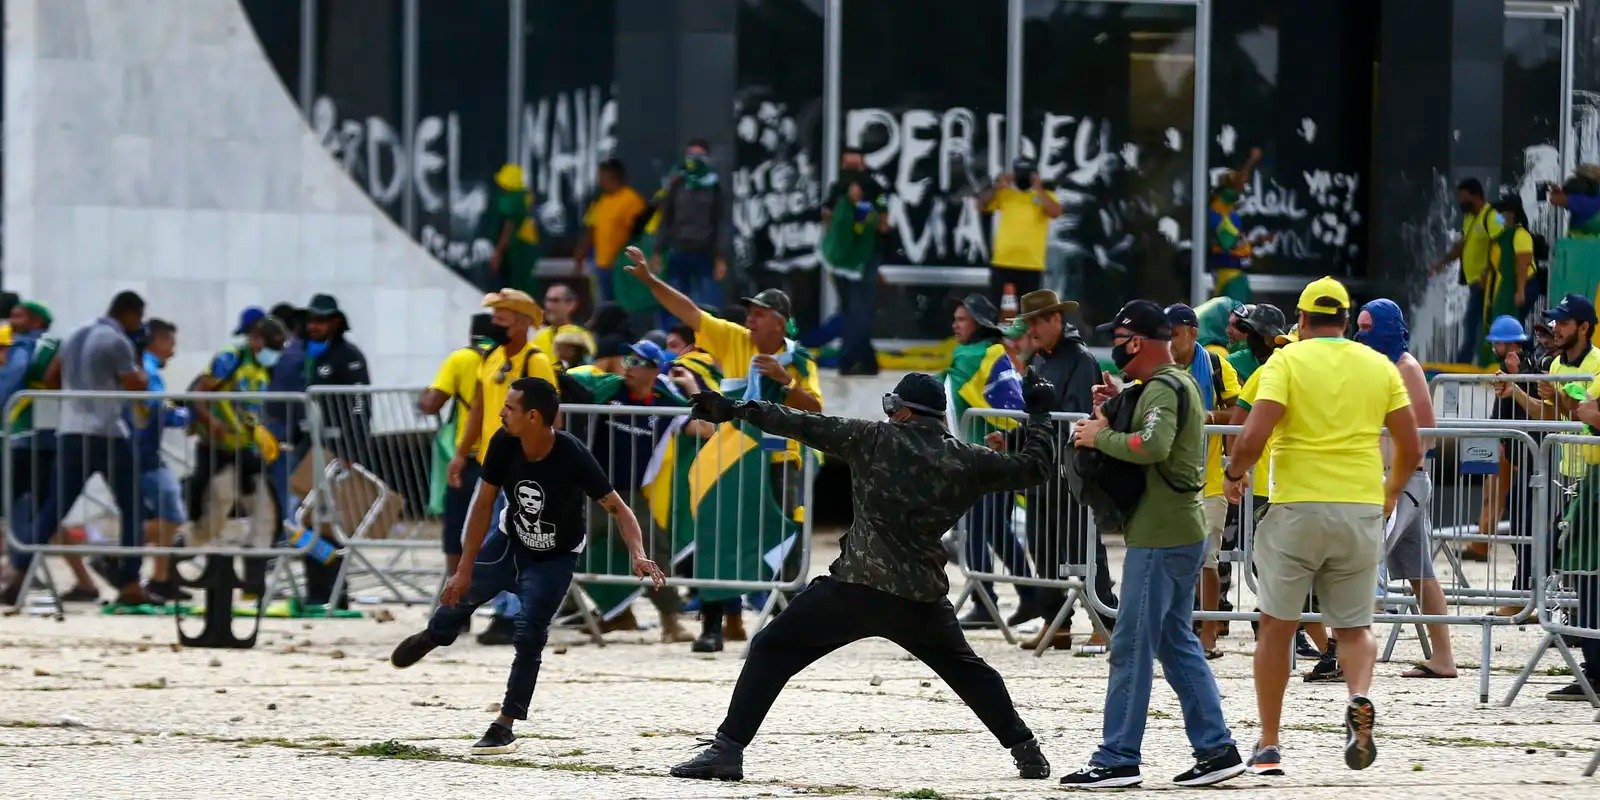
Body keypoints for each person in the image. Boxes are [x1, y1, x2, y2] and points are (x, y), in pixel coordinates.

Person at [669, 372, 1059, 782]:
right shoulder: (967, 459)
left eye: (893, 408)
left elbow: (800, 423)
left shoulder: (872, 438)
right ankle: (1027, 751)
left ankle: (726, 751)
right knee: (969, 672)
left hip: (856, 589)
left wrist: (734, 410)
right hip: (920, 598)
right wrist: (1039, 414)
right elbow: (1035, 468)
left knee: (770, 648)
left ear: (903, 411)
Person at [390, 377, 666, 754]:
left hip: (555, 556)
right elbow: (483, 505)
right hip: (508, 542)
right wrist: (464, 567)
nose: (501, 413)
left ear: (533, 416)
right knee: (455, 602)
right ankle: (434, 636)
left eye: (509, 408)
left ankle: (504, 723)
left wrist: (637, 552)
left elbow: (619, 508)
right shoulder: (504, 443)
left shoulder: (572, 455)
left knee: (530, 632)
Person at [1224, 277, 1422, 773]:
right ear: (1345, 319)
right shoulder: (1378, 366)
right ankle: (1358, 695)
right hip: (1359, 507)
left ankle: (1269, 745)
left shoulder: (1287, 361)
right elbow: (1412, 445)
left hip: (1297, 508)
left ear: (1303, 319)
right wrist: (1391, 490)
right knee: (1354, 628)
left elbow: (1253, 434)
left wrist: (1234, 474)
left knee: (1276, 626)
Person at [1056, 301, 1243, 789]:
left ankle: (1117, 756)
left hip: (1161, 537)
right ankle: (1217, 748)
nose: (1113, 347)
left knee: (1132, 644)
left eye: (1117, 338)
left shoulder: (1164, 385)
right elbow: (1152, 432)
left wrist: (1099, 438)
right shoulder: (1167, 385)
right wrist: (1116, 405)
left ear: (1135, 341)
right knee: (1175, 642)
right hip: (1173, 531)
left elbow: (1154, 446)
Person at [3, 292, 151, 606]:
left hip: (71, 431)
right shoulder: (116, 341)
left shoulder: (74, 334)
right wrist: (139, 367)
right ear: (130, 314)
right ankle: (130, 582)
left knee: (53, 509)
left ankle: (19, 572)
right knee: (132, 507)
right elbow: (137, 385)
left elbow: (51, 376)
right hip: (108, 433)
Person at [1001, 290, 1114, 648]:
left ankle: (1105, 619)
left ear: (1056, 320)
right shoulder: (1038, 360)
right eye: (1028, 322)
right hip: (1043, 471)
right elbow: (1038, 416)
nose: (1031, 328)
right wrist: (1013, 441)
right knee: (1044, 547)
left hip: (1071, 471)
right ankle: (1058, 625)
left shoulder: (1080, 360)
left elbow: (1073, 414)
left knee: (1084, 546)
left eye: (1037, 321)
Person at [564, 340, 694, 643]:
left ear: (653, 370)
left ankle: (670, 620)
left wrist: (690, 390)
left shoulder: (665, 400)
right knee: (566, 547)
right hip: (591, 489)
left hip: (631, 493)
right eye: (627, 359)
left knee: (653, 551)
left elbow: (702, 425)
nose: (628, 367)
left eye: (636, 362)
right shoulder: (610, 388)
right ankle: (615, 611)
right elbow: (573, 386)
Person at [449, 289, 559, 645]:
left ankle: (512, 615)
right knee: (480, 539)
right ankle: (499, 609)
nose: (494, 321)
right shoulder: (491, 357)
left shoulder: (536, 360)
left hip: (524, 466)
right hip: (491, 464)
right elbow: (478, 410)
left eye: (502, 316)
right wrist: (461, 452)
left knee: (516, 544)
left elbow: (552, 415)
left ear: (523, 322)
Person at [1354, 300, 1456, 679]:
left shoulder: (1406, 367)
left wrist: (1392, 482)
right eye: (1358, 325)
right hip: (1392, 477)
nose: (1360, 333)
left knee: (1361, 558)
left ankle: (1347, 648)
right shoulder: (1378, 366)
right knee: (1420, 574)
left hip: (1403, 480)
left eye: (1367, 326)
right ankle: (1443, 657)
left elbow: (1425, 431)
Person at [943, 294, 1034, 628]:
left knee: (979, 529)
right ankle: (1032, 594)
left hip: (990, 460)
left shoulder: (984, 356)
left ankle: (986, 603)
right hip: (988, 459)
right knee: (995, 530)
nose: (955, 324)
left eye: (962, 319)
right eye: (955, 318)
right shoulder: (988, 355)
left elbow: (1010, 409)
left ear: (978, 323)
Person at [187, 315, 288, 597]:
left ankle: (253, 586)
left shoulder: (261, 368)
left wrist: (260, 432)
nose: (274, 353)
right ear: (256, 339)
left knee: (265, 514)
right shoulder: (230, 358)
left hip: (245, 451)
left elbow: (250, 406)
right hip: (218, 450)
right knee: (216, 513)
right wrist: (211, 423)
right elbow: (199, 394)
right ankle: (180, 553)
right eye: (271, 346)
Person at [0, 301, 93, 602]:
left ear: (38, 321)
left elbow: (13, 377)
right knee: (44, 515)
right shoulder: (52, 344)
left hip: (28, 436)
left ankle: (18, 574)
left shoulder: (31, 345)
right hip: (43, 436)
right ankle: (81, 581)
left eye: (20, 315)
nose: (13, 319)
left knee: (24, 509)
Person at [1166, 304, 1240, 658]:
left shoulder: (1214, 365)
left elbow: (1240, 414)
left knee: (1208, 559)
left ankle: (1209, 630)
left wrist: (1208, 416)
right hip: (1168, 478)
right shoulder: (1158, 365)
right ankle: (1176, 627)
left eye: (1174, 333)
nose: (1169, 340)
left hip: (1209, 477)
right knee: (1169, 556)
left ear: (1193, 332)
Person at [300, 294, 372, 609]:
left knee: (333, 525)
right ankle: (317, 589)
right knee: (304, 522)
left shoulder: (349, 356)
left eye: (320, 320)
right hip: (310, 449)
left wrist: (351, 452)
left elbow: (360, 406)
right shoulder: (307, 354)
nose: (313, 326)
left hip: (337, 452)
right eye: (311, 320)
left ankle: (334, 592)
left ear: (335, 322)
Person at [420, 314, 497, 590]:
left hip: (470, 456)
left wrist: (423, 394)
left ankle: (457, 597)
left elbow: (431, 404)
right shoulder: (508, 359)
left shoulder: (461, 359)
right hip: (505, 455)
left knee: (457, 530)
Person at [1483, 315, 1551, 604]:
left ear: (1510, 343)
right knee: (1519, 523)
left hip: (1535, 455)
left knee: (1525, 525)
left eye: (1498, 342)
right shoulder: (1509, 366)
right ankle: (1526, 585)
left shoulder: (1529, 366)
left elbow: (1535, 406)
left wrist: (1515, 377)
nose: (1495, 347)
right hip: (1522, 455)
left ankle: (1526, 587)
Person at [130, 318, 191, 603]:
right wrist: (189, 416)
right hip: (143, 452)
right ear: (157, 341)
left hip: (140, 451)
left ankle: (161, 577)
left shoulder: (142, 365)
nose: (173, 351)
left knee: (161, 515)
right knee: (172, 513)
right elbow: (158, 410)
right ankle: (116, 552)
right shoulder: (149, 369)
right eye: (170, 343)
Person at [819, 147, 890, 376]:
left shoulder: (875, 188)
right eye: (847, 166)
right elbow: (827, 218)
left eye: (855, 166)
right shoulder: (836, 189)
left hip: (866, 257)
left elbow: (883, 223)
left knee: (861, 308)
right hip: (841, 259)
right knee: (851, 309)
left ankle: (848, 358)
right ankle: (867, 360)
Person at [1429, 178, 1504, 364]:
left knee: (1474, 322)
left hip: (1487, 283)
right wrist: (1441, 263)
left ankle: (1467, 361)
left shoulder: (1493, 216)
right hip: (1474, 282)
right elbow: (1462, 246)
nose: (1460, 202)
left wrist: (1487, 273)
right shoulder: (1469, 218)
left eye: (1464, 197)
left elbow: (1501, 246)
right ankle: (1473, 360)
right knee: (1474, 323)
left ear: (1477, 195)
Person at [656, 139, 728, 311]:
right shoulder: (678, 184)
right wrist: (659, 250)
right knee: (676, 303)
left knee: (708, 305)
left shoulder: (714, 187)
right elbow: (667, 217)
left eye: (699, 156)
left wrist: (721, 257)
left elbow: (721, 222)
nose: (694, 160)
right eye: (691, 155)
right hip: (679, 250)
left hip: (705, 252)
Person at [979, 157, 1063, 301]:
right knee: (991, 310)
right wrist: (997, 186)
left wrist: (1038, 188)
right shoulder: (1005, 193)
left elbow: (1055, 212)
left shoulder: (1045, 194)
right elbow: (981, 206)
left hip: (1031, 263)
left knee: (1027, 315)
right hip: (1002, 260)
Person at [574, 158, 648, 304]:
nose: (599, 180)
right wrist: (581, 251)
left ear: (613, 176)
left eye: (602, 176)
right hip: (600, 262)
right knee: (603, 302)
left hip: (621, 264)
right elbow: (591, 226)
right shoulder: (601, 200)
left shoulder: (631, 200)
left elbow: (639, 233)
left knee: (621, 303)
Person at [1483, 197, 1540, 362]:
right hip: (1509, 287)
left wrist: (1520, 290)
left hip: (1524, 285)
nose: (1499, 216)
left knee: (1515, 327)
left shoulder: (1520, 233)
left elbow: (1523, 262)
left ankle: (1526, 361)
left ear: (1512, 214)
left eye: (1503, 213)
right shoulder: (1503, 235)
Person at [1208, 148, 1269, 303]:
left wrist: (1256, 242)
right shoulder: (1216, 212)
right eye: (1233, 187)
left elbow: (1237, 244)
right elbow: (1227, 244)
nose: (1239, 190)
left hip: (1235, 272)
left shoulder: (1231, 213)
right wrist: (1251, 162)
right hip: (1226, 275)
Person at [485, 163, 541, 296]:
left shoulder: (511, 200)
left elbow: (508, 228)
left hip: (517, 250)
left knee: (516, 290)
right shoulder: (525, 196)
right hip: (527, 247)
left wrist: (498, 253)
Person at [1225, 303, 1289, 383]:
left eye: (1261, 333)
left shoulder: (1286, 364)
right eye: (1251, 330)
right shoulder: (1234, 362)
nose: (1254, 336)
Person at [532, 285, 596, 358]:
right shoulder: (538, 336)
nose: (548, 306)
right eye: (547, 300)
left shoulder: (582, 337)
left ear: (571, 304)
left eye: (555, 300)